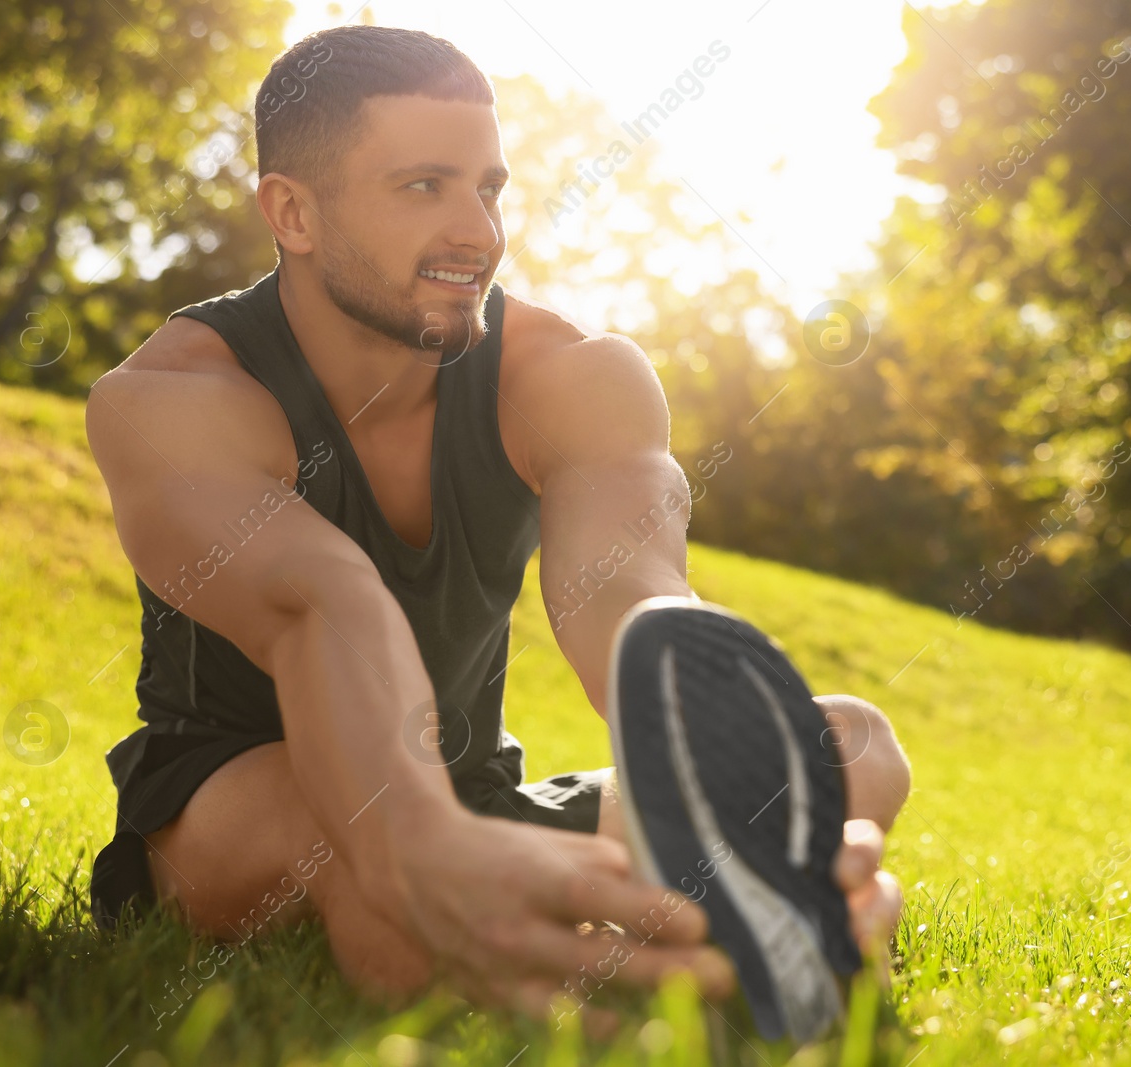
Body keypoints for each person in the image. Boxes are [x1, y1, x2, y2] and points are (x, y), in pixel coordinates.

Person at [85, 24, 912, 1027]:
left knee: (849, 750)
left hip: (473, 790)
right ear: (292, 211)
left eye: (489, 187)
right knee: (367, 879)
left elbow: (629, 596)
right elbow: (320, 605)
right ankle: (611, 951)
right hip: (246, 802)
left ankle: (659, 915)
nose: (477, 230)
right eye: (422, 187)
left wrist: (727, 779)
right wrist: (422, 845)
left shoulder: (570, 375)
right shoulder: (177, 398)